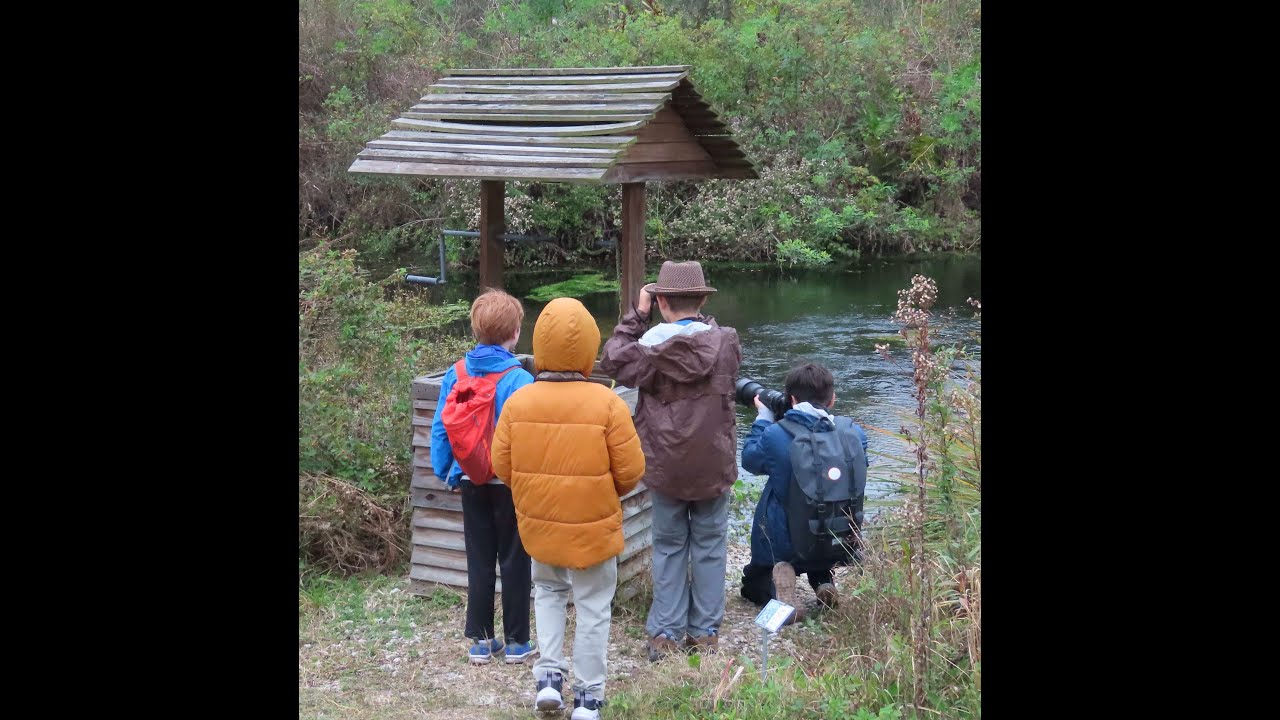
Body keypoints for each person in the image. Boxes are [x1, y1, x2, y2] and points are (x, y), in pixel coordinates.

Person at [492, 297, 645, 720]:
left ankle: (548, 681)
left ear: (540, 344)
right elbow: (631, 472)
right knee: (594, 605)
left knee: (548, 593)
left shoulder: (519, 401)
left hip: (539, 527)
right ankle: (588, 698)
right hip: (593, 528)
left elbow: (501, 465)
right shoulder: (608, 403)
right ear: (589, 348)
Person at [599, 261, 742, 661]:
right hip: (713, 464)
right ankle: (705, 633)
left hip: (664, 465)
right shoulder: (726, 342)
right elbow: (708, 343)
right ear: (701, 299)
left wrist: (637, 316)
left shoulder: (647, 351)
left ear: (660, 301)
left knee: (668, 546)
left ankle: (665, 633)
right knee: (711, 546)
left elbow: (612, 360)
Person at [429, 289, 536, 665]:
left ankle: (481, 641)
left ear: (475, 329)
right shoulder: (519, 378)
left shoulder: (456, 373)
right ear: (515, 332)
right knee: (514, 558)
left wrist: (446, 471)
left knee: (478, 558)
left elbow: (441, 428)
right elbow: (527, 435)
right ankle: (519, 643)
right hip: (508, 483)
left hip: (469, 481)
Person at [739, 362, 869, 621]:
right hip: (837, 534)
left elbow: (750, 461)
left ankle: (780, 581)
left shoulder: (776, 435)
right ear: (832, 400)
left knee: (752, 585)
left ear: (791, 398)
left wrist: (764, 419)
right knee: (822, 499)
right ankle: (823, 581)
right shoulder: (854, 433)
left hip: (786, 540)